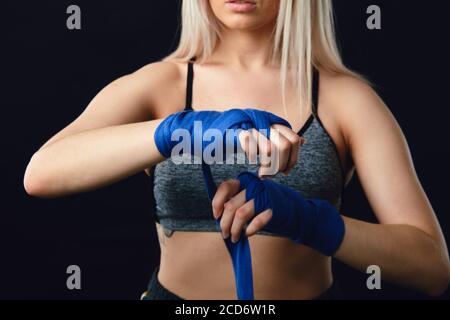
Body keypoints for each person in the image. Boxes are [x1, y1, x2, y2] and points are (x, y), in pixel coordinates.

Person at [24, 0, 450, 299]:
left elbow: (431, 268)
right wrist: (180, 130)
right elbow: (42, 173)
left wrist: (311, 221)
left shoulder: (345, 98)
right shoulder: (165, 85)